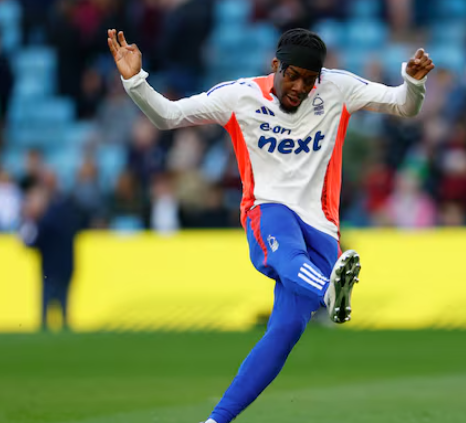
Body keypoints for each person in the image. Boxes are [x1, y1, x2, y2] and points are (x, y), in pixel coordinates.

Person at [107, 27, 433, 423]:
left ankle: (215, 421)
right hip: (267, 209)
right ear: (275, 65)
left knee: (284, 334)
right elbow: (167, 116)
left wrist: (413, 82)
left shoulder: (338, 89)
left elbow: (404, 106)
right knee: (287, 254)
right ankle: (330, 293)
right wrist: (135, 80)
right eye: (292, 76)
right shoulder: (239, 96)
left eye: (309, 80)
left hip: (322, 227)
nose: (299, 88)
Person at [18, 184, 80, 331]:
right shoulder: (62, 214)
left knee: (46, 310)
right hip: (67, 267)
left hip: (51, 270)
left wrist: (29, 221)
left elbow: (33, 243)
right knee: (63, 306)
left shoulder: (46, 220)